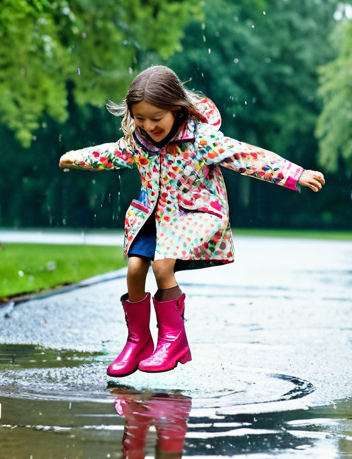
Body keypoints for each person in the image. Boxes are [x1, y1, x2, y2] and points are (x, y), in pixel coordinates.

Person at [59, 65, 325, 377]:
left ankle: (173, 341)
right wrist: (75, 157)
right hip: (154, 214)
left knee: (162, 265)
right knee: (134, 269)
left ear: (177, 108)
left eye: (156, 118)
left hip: (195, 213)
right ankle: (138, 340)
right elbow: (109, 154)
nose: (148, 126)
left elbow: (248, 157)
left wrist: (296, 174)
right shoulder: (138, 141)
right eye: (140, 119)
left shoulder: (202, 140)